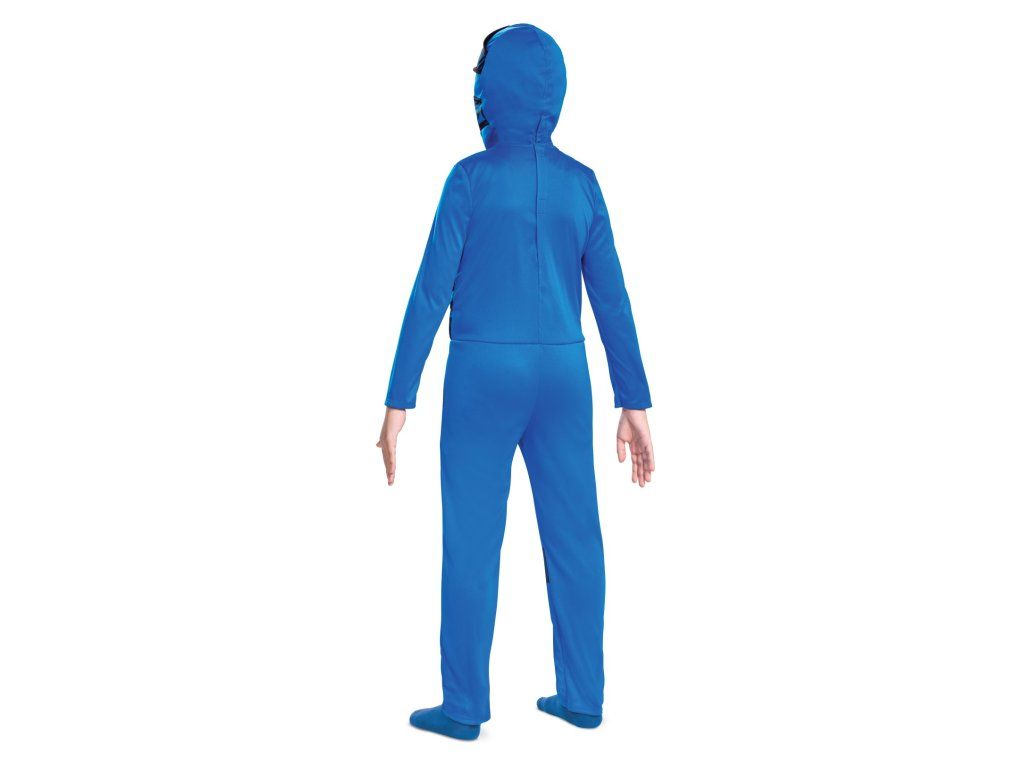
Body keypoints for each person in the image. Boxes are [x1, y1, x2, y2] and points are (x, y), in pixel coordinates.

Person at [377, 24, 654, 740]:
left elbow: (429, 291)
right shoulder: (582, 183)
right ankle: (583, 695)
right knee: (576, 537)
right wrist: (634, 399)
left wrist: (400, 396)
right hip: (565, 375)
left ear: (488, 90)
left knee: (472, 540)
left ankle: (463, 706)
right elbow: (612, 299)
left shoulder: (469, 180)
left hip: (482, 376)